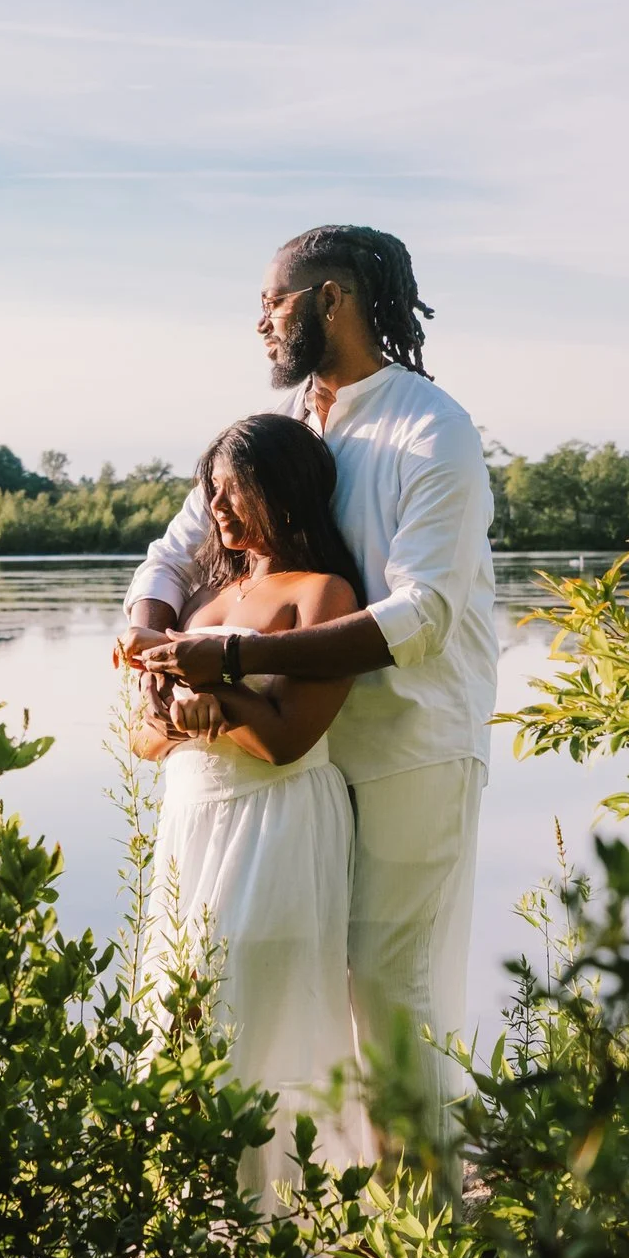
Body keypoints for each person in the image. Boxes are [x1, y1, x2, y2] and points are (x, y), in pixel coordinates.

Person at [122, 225, 499, 1258]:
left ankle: (423, 1233)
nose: (259, 321)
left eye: (271, 302)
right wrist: (151, 628)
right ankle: (332, 1212)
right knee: (301, 987)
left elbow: (421, 617)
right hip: (302, 760)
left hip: (413, 741)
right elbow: (179, 543)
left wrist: (233, 657)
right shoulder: (287, 422)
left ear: (328, 300)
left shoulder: (434, 429)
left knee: (390, 981)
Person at [126, 413, 377, 1215]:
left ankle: (294, 1215)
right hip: (191, 819)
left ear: (284, 491)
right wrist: (173, 710)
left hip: (278, 821)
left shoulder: (324, 595)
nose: (220, 509)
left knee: (264, 1010)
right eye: (214, 492)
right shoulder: (199, 596)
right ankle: (188, 1214)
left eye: (237, 491)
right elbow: (140, 734)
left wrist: (218, 688)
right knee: (180, 1006)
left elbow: (286, 738)